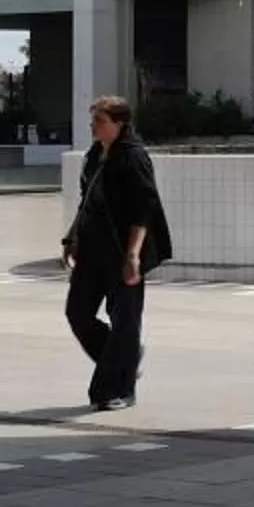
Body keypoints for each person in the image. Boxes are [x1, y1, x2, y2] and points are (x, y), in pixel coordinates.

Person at [62, 95, 171, 411]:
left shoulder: (133, 157)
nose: (93, 126)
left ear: (120, 124)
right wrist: (73, 237)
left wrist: (133, 255)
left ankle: (118, 389)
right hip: (93, 246)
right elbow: (88, 202)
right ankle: (127, 357)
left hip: (123, 249)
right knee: (77, 313)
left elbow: (143, 209)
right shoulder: (95, 155)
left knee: (124, 319)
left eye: (100, 120)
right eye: (93, 119)